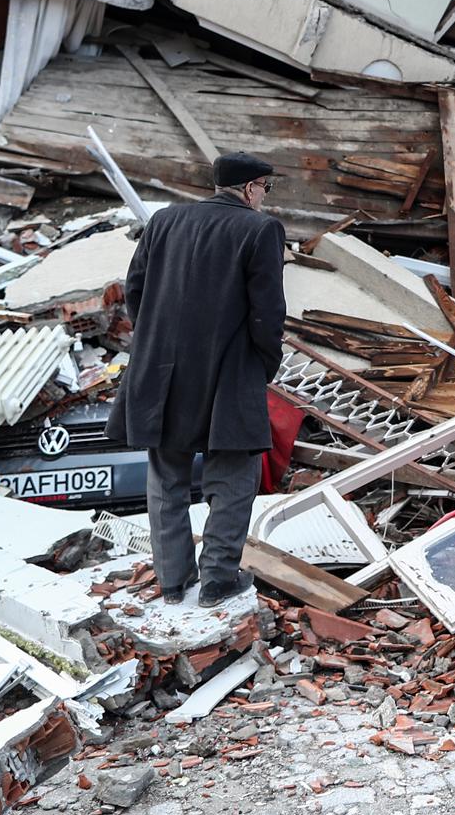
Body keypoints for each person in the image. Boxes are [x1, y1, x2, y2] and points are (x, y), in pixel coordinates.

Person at [110, 152, 287, 606]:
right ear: (250, 188)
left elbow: (136, 289)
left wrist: (155, 339)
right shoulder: (260, 230)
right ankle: (217, 582)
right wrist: (262, 365)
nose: (266, 198)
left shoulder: (165, 220)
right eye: (266, 188)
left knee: (166, 476)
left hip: (161, 371)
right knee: (232, 477)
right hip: (229, 371)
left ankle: (172, 583)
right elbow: (267, 315)